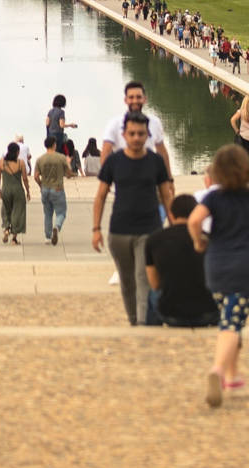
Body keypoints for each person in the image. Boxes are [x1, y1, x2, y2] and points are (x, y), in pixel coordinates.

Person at [187, 145, 249, 401]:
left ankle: (232, 375)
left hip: (216, 267)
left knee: (230, 318)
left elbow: (194, 221)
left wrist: (199, 243)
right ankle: (218, 371)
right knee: (232, 321)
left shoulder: (214, 198)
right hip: (245, 268)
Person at [93, 112, 174, 325]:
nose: (137, 138)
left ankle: (143, 322)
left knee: (143, 277)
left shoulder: (156, 162)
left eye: (141, 134)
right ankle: (134, 319)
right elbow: (100, 195)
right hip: (119, 231)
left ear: (147, 135)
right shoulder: (114, 162)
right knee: (127, 281)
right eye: (132, 133)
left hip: (149, 229)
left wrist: (174, 224)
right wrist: (96, 229)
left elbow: (166, 195)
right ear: (124, 135)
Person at [144, 193, 218, 328]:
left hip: (170, 314)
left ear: (171, 215)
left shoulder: (154, 240)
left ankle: (152, 325)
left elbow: (155, 284)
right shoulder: (209, 240)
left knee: (149, 289)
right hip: (208, 313)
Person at [101, 81, 173, 187]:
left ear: (144, 99)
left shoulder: (154, 122)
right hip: (124, 182)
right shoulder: (115, 124)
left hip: (151, 181)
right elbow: (105, 153)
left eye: (138, 97)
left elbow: (162, 152)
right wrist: (107, 181)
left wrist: (169, 179)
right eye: (131, 97)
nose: (135, 101)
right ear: (126, 100)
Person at [34, 136, 70, 246]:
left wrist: (41, 185)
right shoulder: (61, 157)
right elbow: (69, 173)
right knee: (61, 212)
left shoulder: (40, 159)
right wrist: (68, 163)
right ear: (54, 144)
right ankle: (57, 227)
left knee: (47, 214)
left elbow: (35, 176)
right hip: (57, 188)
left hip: (45, 189)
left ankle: (47, 237)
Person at [0, 141, 30, 244]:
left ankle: (6, 229)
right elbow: (25, 178)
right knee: (18, 212)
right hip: (18, 190)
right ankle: (14, 238)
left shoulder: (1, 162)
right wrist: (28, 191)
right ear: (17, 152)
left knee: (6, 210)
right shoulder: (21, 163)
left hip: (5, 189)